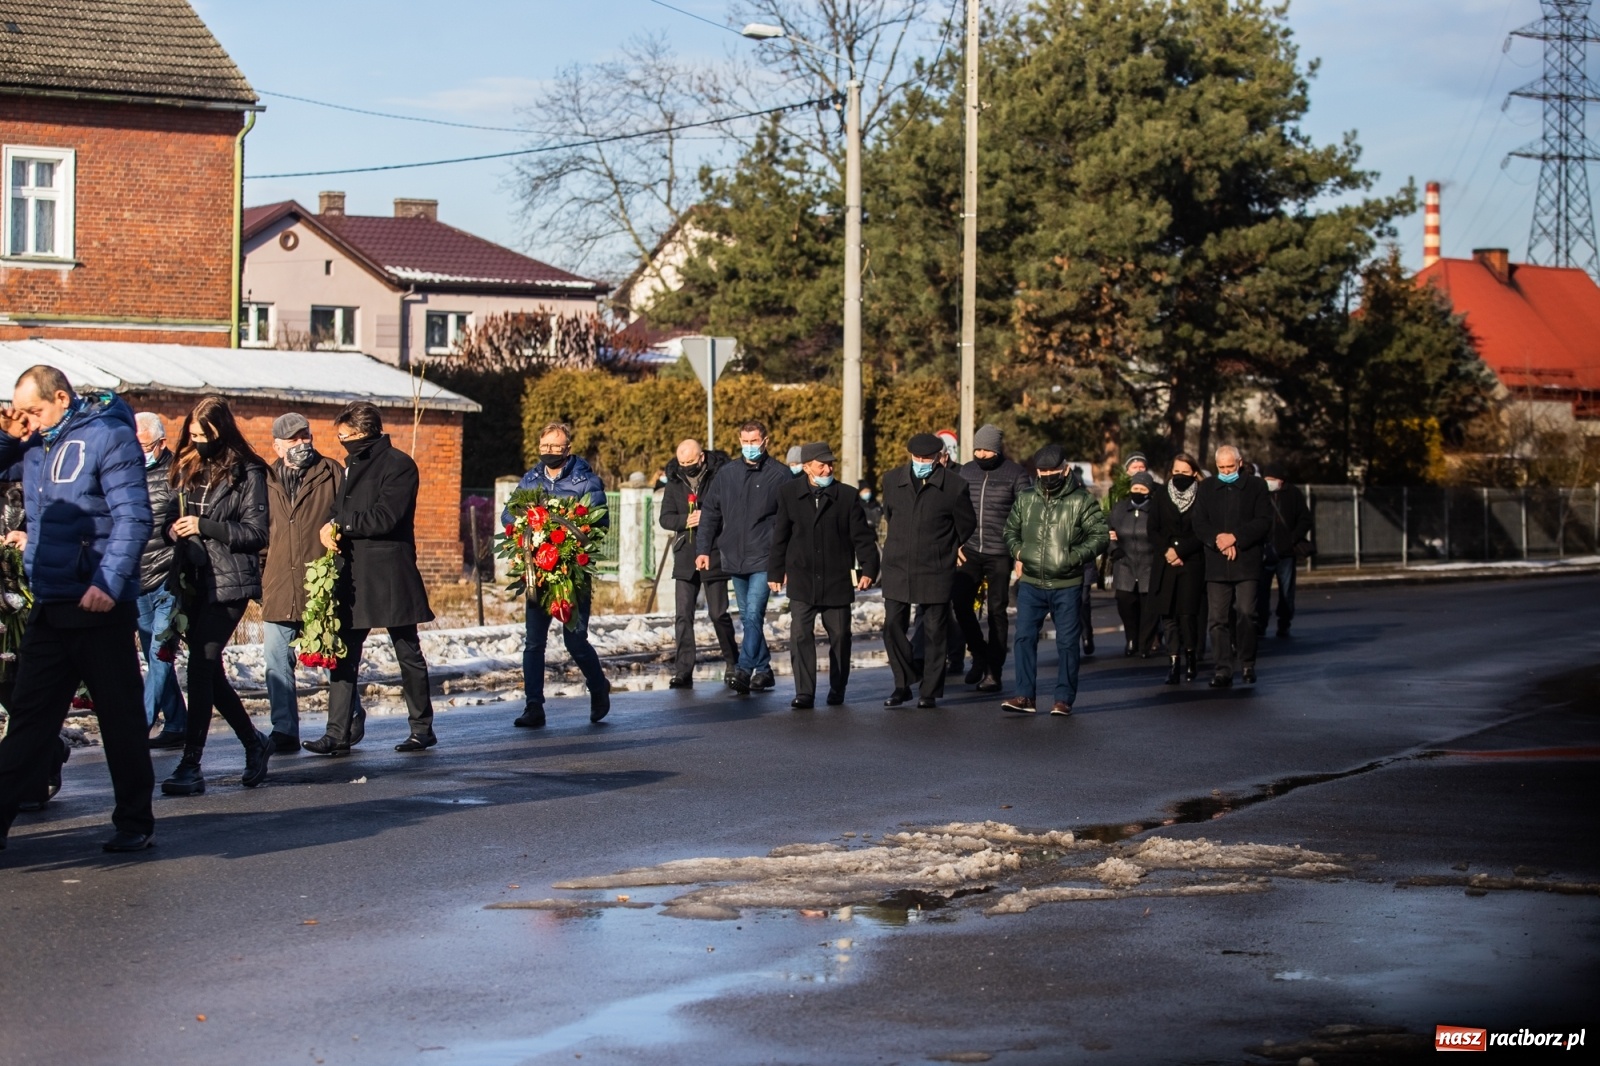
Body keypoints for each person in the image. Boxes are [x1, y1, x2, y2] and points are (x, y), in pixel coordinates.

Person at [0, 366, 155, 853]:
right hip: (50, 602)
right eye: (20, 413)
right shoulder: (35, 443)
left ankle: (134, 821)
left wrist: (108, 582)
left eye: (35, 411)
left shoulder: (109, 436)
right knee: (28, 720)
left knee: (120, 719)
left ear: (62, 398)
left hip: (98, 606)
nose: (29, 421)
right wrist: (9, 436)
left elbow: (134, 516)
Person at [303, 403, 438, 754]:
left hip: (390, 571)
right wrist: (328, 527)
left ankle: (421, 728)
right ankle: (337, 733)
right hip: (353, 572)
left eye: (346, 436)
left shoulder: (399, 465)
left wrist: (342, 525)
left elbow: (385, 517)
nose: (342, 442)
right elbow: (338, 510)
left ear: (364, 433)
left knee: (407, 651)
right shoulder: (351, 466)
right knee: (344, 653)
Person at [158, 397, 273, 797]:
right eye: (191, 435)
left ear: (220, 431)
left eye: (203, 436)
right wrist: (171, 530)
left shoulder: (247, 471)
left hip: (230, 582)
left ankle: (191, 763)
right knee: (208, 671)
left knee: (201, 666)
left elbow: (257, 533)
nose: (196, 442)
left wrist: (204, 526)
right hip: (192, 578)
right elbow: (170, 515)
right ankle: (253, 742)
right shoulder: (189, 465)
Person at [507, 421, 610, 727]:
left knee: (575, 641)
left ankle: (598, 686)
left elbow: (599, 523)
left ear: (568, 449)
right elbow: (509, 513)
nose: (549, 452)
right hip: (537, 570)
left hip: (570, 571)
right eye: (545, 447)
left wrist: (564, 530)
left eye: (556, 447)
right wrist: (527, 525)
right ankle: (534, 706)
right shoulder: (531, 478)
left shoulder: (585, 480)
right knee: (534, 642)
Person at [261, 412, 353, 752]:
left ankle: (349, 718)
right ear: (278, 445)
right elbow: (260, 532)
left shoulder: (331, 472)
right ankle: (284, 731)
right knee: (276, 659)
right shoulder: (265, 478)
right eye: (294, 439)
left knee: (327, 657)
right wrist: (262, 579)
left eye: (306, 436)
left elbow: (345, 517)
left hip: (320, 585)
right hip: (279, 584)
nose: (303, 443)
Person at [767, 442, 879, 709]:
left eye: (831, 464)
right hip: (802, 578)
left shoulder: (847, 496)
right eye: (822, 465)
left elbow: (862, 538)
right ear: (807, 468)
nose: (828, 469)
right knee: (801, 635)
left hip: (837, 579)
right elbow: (780, 537)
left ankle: (837, 687)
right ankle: (804, 692)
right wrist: (776, 570)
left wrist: (869, 569)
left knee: (840, 636)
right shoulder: (788, 494)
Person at [1001, 445, 1109, 716]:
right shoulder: (1026, 498)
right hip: (1031, 583)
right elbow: (1010, 530)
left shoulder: (1081, 500)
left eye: (1053, 470)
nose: (1047, 475)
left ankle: (1063, 699)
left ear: (1066, 469)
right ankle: (1025, 696)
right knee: (1024, 638)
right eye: (1043, 470)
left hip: (1067, 584)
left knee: (1067, 643)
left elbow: (1100, 535)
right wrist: (1018, 551)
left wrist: (1074, 557)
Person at [879, 432, 975, 708]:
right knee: (892, 626)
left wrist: (947, 546)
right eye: (916, 458)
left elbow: (966, 524)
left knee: (935, 630)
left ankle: (929, 691)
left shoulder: (954, 486)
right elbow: (890, 515)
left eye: (927, 458)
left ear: (938, 457)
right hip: (898, 563)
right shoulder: (891, 480)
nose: (921, 462)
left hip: (935, 566)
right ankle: (903, 682)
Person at [695, 421, 786, 694]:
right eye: (745, 441)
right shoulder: (727, 473)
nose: (750, 446)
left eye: (754, 441)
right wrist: (703, 548)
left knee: (754, 613)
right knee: (747, 615)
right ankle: (765, 669)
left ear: (765, 441)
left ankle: (744, 670)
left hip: (764, 557)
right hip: (734, 556)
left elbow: (788, 522)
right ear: (739, 440)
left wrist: (784, 563)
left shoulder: (780, 476)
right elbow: (710, 512)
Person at [952, 423, 1029, 692]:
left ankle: (993, 671)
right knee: (960, 603)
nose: (981, 455)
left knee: (997, 611)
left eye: (986, 450)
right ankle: (979, 653)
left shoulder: (1016, 474)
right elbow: (955, 508)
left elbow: (1025, 514)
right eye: (977, 449)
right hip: (970, 549)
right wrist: (956, 542)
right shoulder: (967, 471)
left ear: (996, 450)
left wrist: (1019, 552)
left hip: (1001, 552)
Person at [1190, 445, 1273, 688]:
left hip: (1246, 561)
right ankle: (1223, 668)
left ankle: (1247, 662)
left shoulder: (1256, 487)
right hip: (1216, 563)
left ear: (1239, 462)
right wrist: (1219, 540)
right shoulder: (1206, 489)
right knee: (1217, 619)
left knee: (1247, 613)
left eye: (1230, 466)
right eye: (1221, 467)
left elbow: (1264, 521)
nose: (1226, 471)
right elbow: (1199, 522)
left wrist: (1235, 537)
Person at [658, 438, 737, 689]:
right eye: (682, 463)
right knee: (683, 615)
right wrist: (686, 520)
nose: (686, 467)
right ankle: (683, 670)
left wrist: (711, 516)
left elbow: (733, 508)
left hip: (713, 552)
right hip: (685, 554)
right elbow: (665, 518)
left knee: (718, 613)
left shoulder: (720, 476)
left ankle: (733, 663)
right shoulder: (674, 481)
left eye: (690, 462)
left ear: (701, 457)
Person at [133, 412, 186, 748]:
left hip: (168, 575)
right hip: (136, 579)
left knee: (160, 653)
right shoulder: (123, 473)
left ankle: (139, 725)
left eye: (144, 446)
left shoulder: (176, 475)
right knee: (152, 654)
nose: (138, 452)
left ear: (161, 443)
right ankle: (178, 723)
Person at [1149, 454, 1206, 684]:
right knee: (1168, 616)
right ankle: (1173, 662)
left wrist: (1181, 551)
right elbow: (1152, 528)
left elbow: (1203, 530)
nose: (1179, 476)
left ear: (1194, 473)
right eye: (1176, 472)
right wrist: (1168, 551)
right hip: (1165, 562)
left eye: (1185, 472)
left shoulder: (1202, 495)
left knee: (1187, 615)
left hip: (1191, 561)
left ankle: (1191, 656)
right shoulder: (1161, 494)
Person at [1108, 471, 1159, 657]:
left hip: (1149, 563)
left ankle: (1145, 644)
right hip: (1125, 563)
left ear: (1149, 491)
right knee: (1125, 601)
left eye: (1142, 488)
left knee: (1148, 607)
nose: (1137, 491)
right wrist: (1114, 548)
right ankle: (1131, 638)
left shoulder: (1156, 510)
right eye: (1135, 488)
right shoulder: (1120, 509)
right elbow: (1108, 531)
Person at [1256, 469, 1312, 638]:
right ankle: (1261, 623)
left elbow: (1305, 519)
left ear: (1280, 480)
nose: (1268, 483)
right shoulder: (1260, 493)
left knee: (1286, 591)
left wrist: (1293, 538)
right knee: (1261, 591)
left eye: (1271, 479)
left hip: (1286, 553)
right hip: (1264, 552)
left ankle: (1284, 622)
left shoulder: (1292, 494)